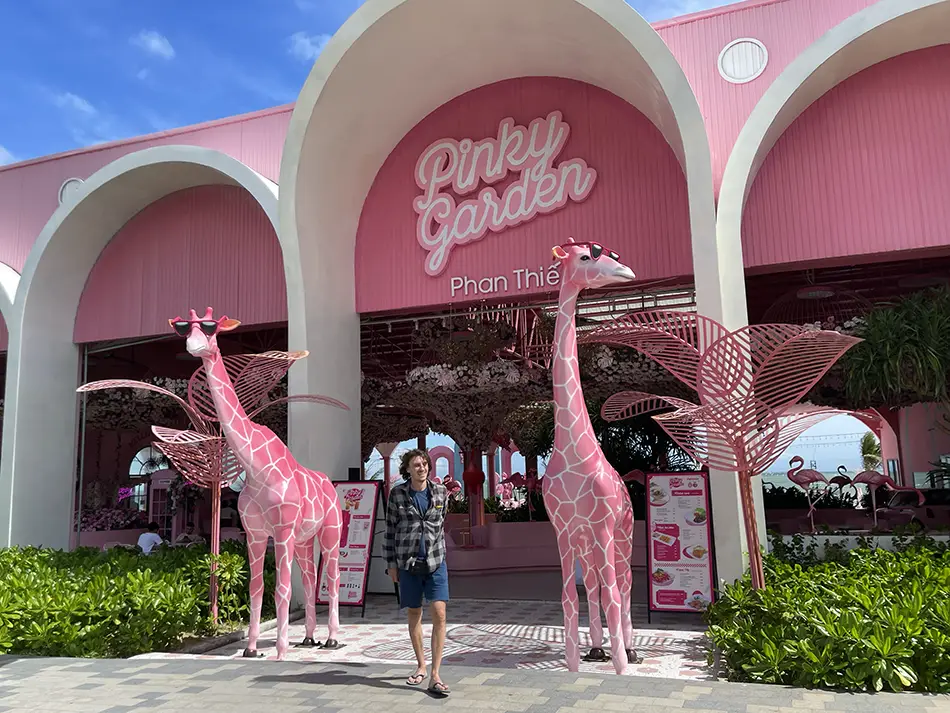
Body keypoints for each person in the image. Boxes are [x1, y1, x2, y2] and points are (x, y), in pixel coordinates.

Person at [384, 448, 451, 696]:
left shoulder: (441, 492)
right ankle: (421, 665)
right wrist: (391, 564)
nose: (421, 468)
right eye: (416, 465)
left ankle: (435, 674)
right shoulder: (398, 494)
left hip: (436, 561)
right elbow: (390, 530)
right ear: (408, 469)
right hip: (408, 563)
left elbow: (441, 520)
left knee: (439, 612)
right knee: (414, 612)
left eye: (424, 464)